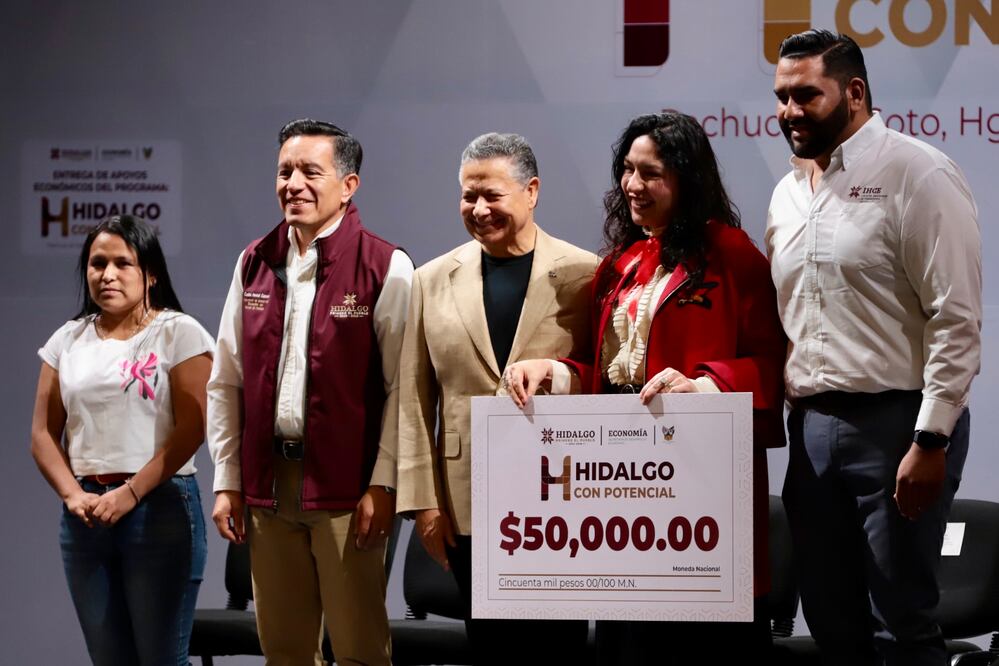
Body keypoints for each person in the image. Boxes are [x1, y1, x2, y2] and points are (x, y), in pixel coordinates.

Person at [504, 111, 787, 664]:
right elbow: (610, 375)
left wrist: (705, 386)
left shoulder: (734, 256)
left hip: (701, 496)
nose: (633, 186)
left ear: (687, 178)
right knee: (628, 640)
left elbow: (773, 364)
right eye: (627, 171)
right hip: (625, 498)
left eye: (651, 173)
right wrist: (556, 373)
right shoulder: (620, 263)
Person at [766, 30, 981, 666]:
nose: (789, 112)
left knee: (902, 625)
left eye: (806, 95)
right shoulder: (786, 192)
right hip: (810, 429)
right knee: (830, 622)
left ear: (854, 93)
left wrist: (932, 439)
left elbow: (957, 315)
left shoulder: (918, 171)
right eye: (781, 97)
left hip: (900, 427)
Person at [206, 118, 412, 666]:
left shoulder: (385, 265)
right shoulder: (253, 260)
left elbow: (403, 392)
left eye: (309, 172)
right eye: (284, 172)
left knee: (360, 652)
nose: (292, 183)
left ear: (349, 186)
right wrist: (227, 480)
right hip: (269, 486)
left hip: (348, 489)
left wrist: (385, 483)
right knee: (285, 653)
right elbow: (226, 379)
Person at [396, 132, 597, 664]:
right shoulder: (430, 280)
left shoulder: (586, 274)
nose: (479, 209)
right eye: (468, 196)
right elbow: (413, 401)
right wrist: (424, 506)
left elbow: (601, 379)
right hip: (466, 506)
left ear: (531, 191)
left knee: (560, 653)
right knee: (490, 650)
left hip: (563, 502)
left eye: (492, 195)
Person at [30, 215, 212, 665]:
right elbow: (41, 434)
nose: (106, 274)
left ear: (149, 273)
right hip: (86, 518)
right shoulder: (66, 339)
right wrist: (74, 496)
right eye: (96, 264)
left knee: (162, 658)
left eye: (121, 263)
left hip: (161, 510)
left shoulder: (178, 332)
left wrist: (130, 493)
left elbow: (193, 428)